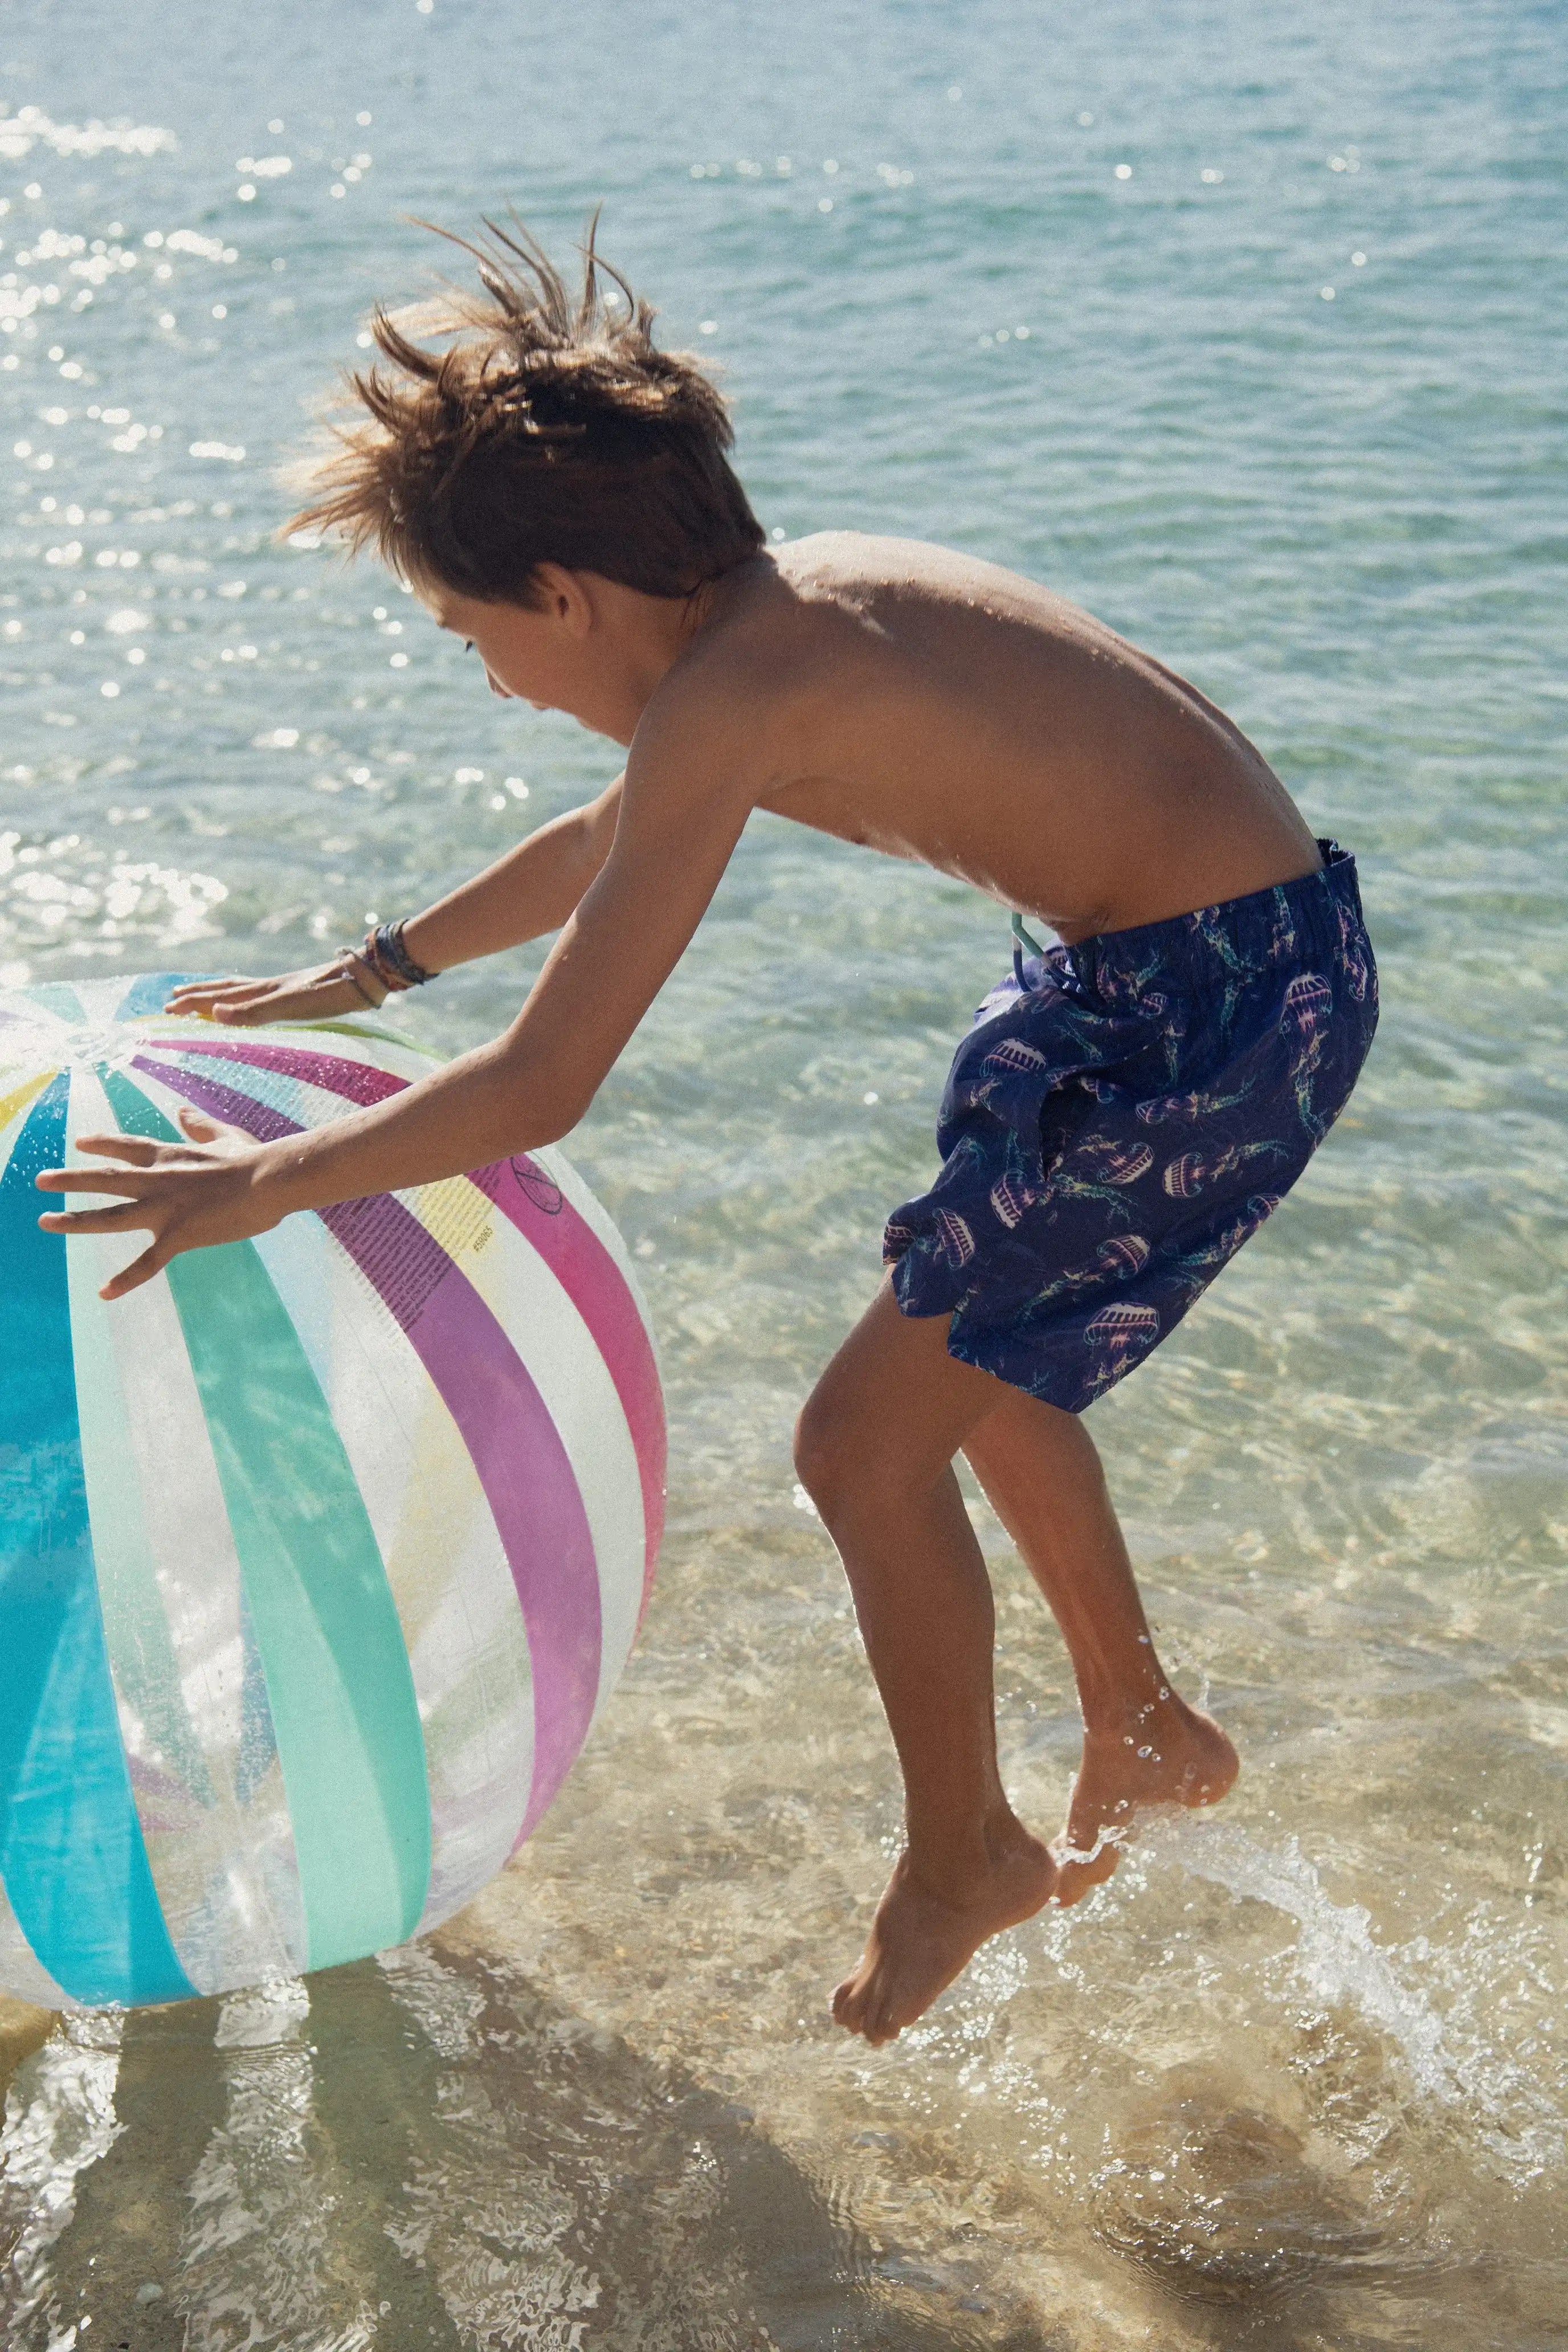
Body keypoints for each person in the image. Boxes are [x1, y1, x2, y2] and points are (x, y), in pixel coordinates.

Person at [36, 223, 1378, 2045]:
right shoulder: (785, 617)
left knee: (858, 1449)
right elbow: (610, 841)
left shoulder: (758, 683)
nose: (492, 679)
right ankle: (1139, 1721)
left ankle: (960, 1856)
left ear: (565, 594)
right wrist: (365, 975)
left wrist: (250, 1186)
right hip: (1199, 972)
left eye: (469, 637)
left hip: (1211, 1019)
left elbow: (541, 1090)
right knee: (970, 1340)